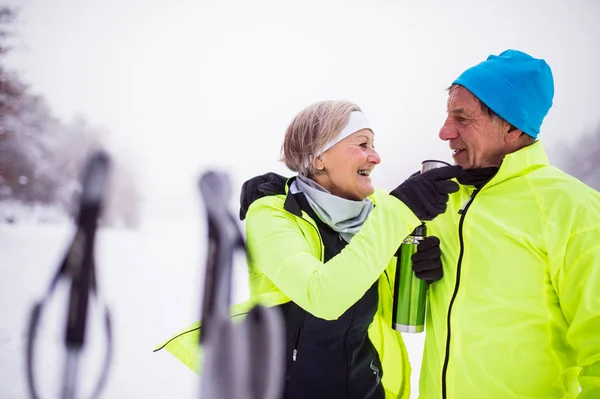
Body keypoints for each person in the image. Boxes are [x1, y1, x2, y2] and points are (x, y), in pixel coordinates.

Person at [155, 100, 462, 399]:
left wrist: (422, 270)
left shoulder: (377, 211)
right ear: (318, 157)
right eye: (362, 144)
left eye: (374, 145)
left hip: (368, 389)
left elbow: (380, 299)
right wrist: (398, 213)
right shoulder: (274, 215)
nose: (376, 157)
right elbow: (324, 297)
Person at [419, 49, 600, 398]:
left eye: (462, 118)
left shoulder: (574, 210)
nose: (444, 132)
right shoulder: (441, 199)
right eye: (447, 116)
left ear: (513, 127)